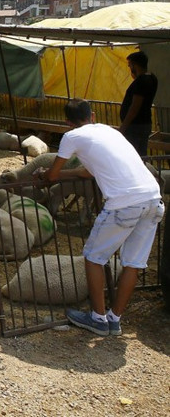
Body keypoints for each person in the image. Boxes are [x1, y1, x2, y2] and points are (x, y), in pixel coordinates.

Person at [38, 99, 164, 336]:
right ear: (93, 115)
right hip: (152, 199)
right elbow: (87, 171)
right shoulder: (110, 131)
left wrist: (48, 174)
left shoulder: (72, 137)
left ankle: (97, 318)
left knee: (94, 256)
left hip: (123, 204)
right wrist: (69, 173)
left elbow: (52, 175)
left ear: (67, 122)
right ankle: (114, 319)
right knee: (133, 263)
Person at [119, 51, 158, 156]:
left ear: (135, 65)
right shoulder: (151, 78)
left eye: (130, 65)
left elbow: (135, 107)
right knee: (141, 154)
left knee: (132, 155)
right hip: (144, 123)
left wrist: (123, 126)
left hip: (135, 126)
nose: (129, 68)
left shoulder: (141, 81)